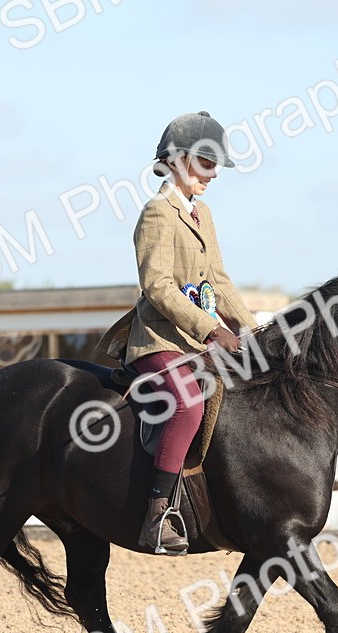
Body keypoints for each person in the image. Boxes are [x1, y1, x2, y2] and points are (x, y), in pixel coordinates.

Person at [123, 111, 257, 554]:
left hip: (197, 340)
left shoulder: (204, 214)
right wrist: (210, 328)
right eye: (205, 162)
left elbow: (218, 278)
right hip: (160, 340)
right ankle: (157, 515)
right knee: (188, 401)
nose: (213, 173)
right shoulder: (157, 213)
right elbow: (157, 285)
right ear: (177, 161)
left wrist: (254, 331)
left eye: (216, 164)